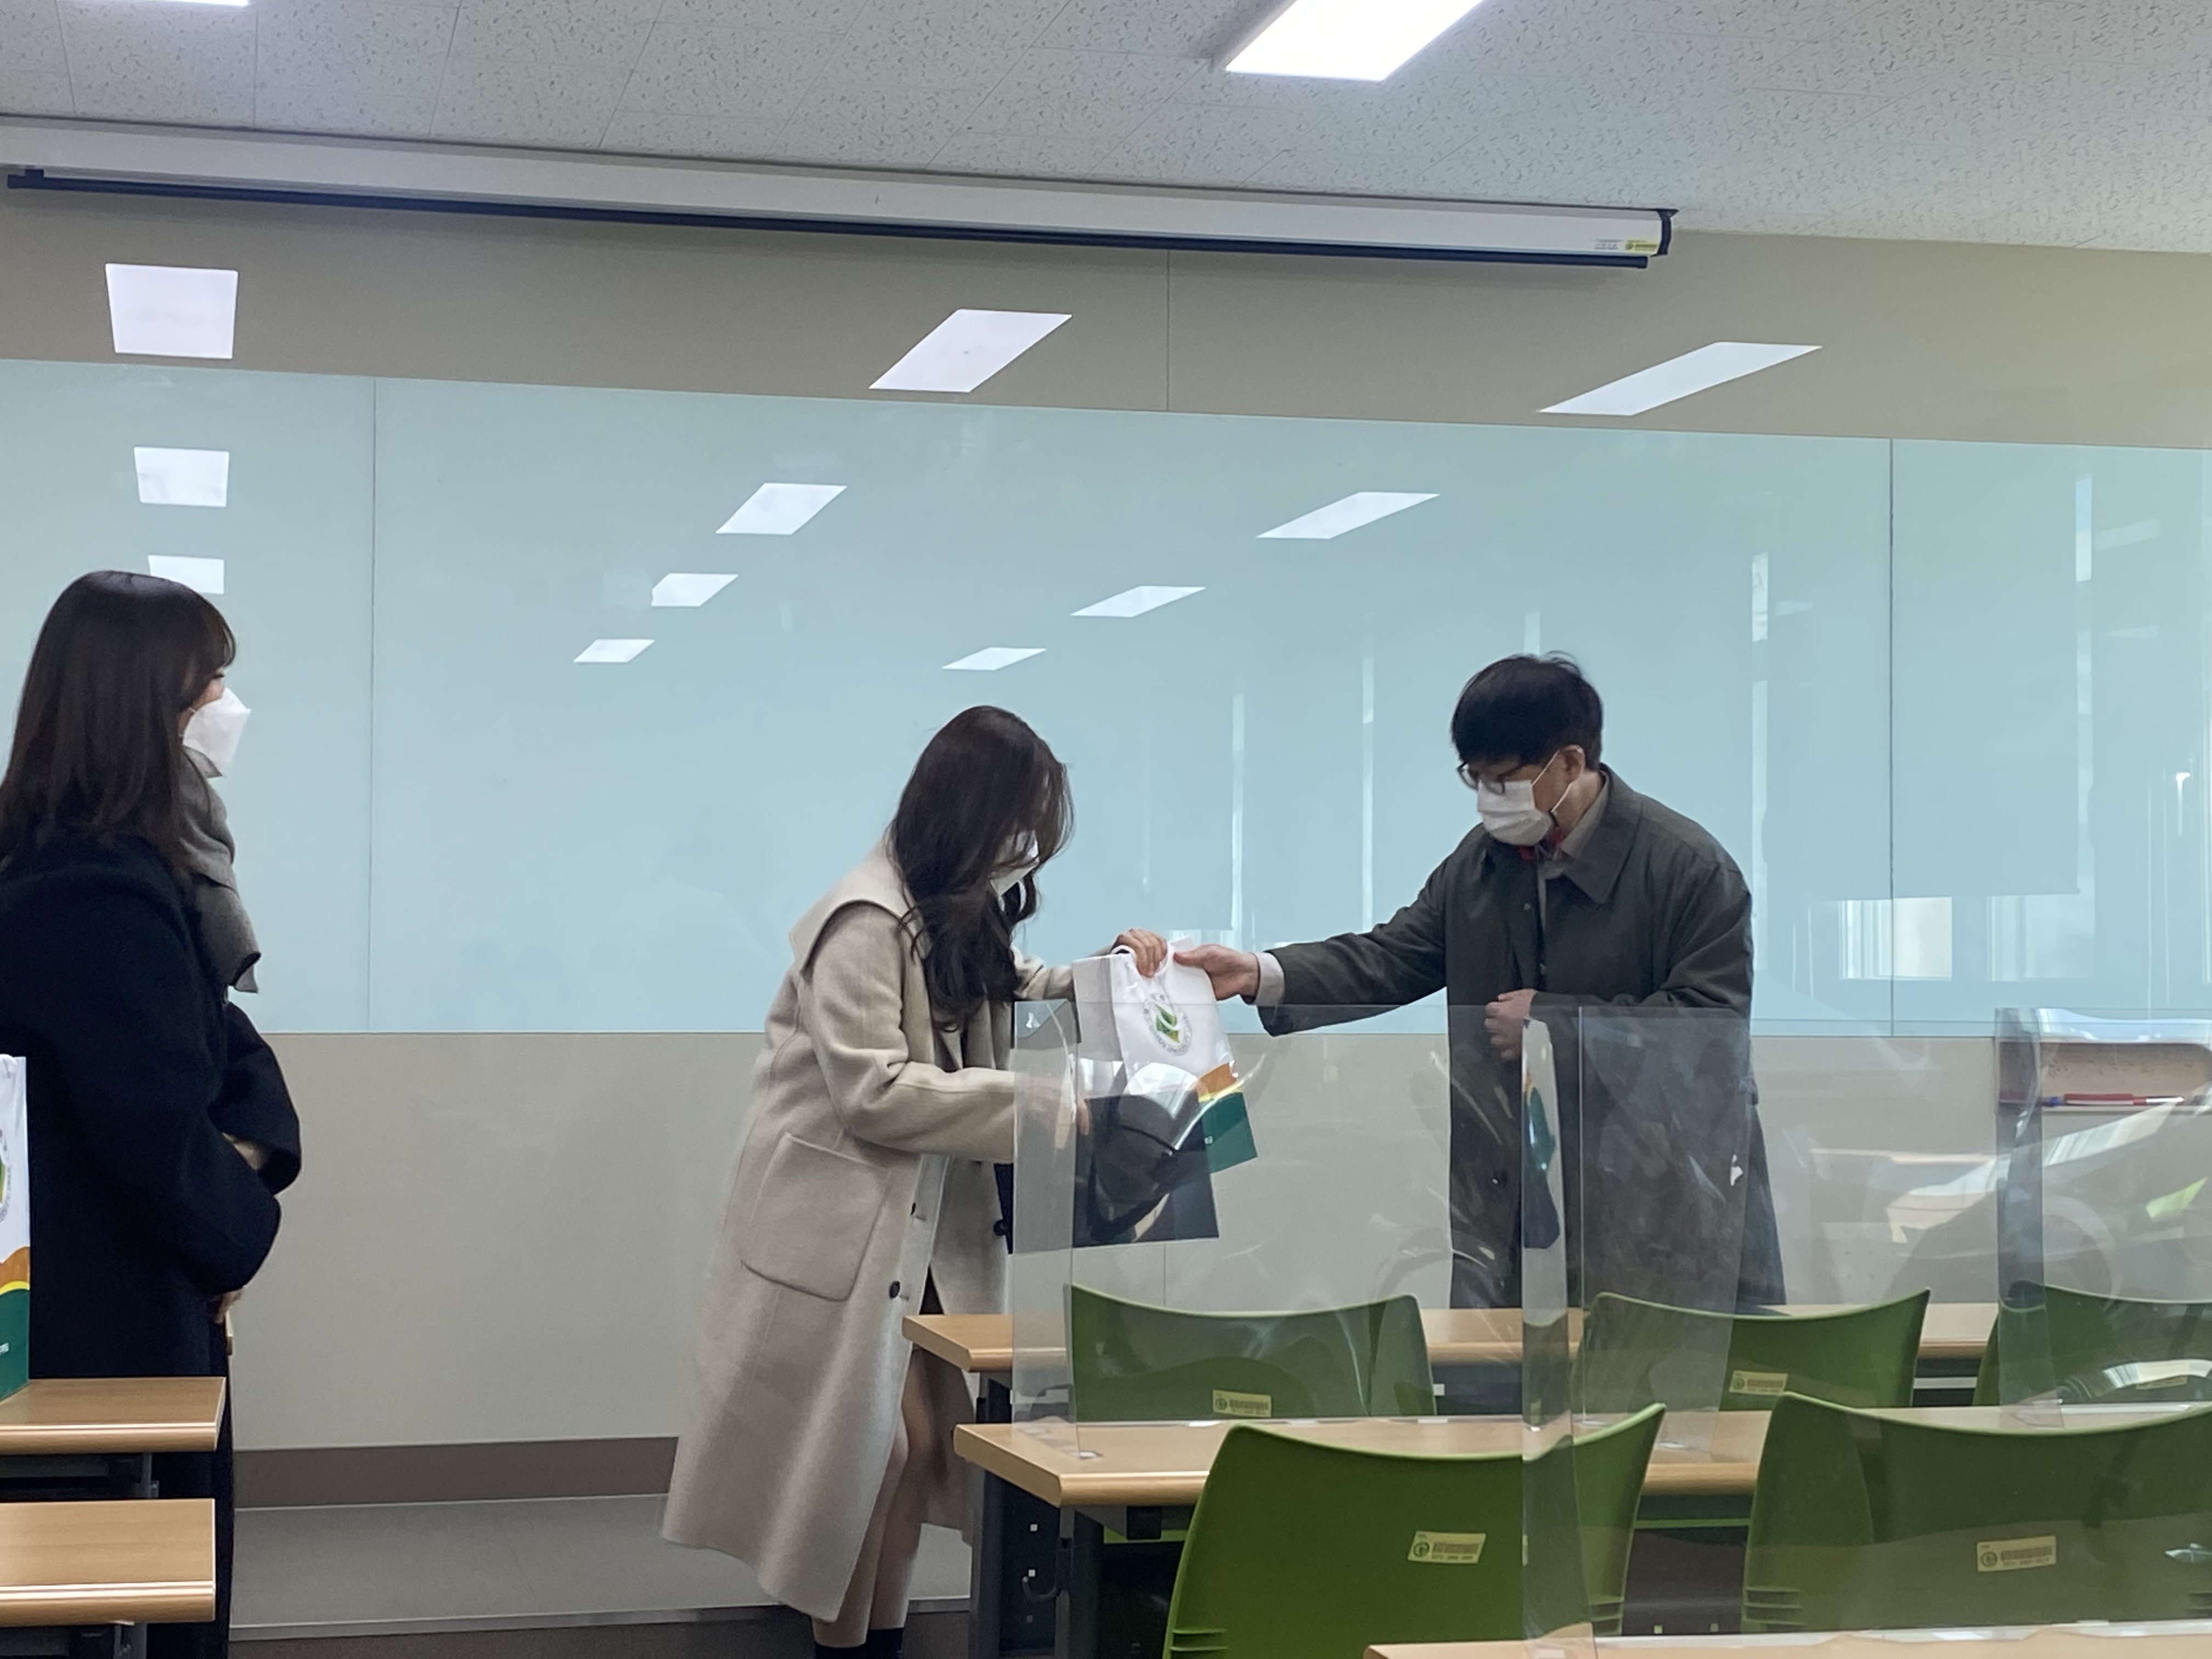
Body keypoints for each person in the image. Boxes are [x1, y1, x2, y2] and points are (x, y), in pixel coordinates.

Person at [663, 706, 1164, 1659]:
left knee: (919, 1447)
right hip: (840, 1226)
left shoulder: (949, 910)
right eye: (1020, 825)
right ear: (971, 812)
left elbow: (1013, 980)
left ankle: (870, 1640)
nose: (1027, 849)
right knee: (871, 1454)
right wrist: (1036, 1104)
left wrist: (1107, 975)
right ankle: (847, 1644)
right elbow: (876, 1093)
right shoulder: (863, 917)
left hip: (916, 1228)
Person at [1180, 654, 1781, 1310]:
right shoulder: (1482, 864)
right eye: (1475, 778)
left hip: (1654, 1207)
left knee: (1637, 1369)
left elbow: (1709, 1031)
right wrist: (1258, 973)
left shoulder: (1687, 869)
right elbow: (1393, 955)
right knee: (1489, 1369)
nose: (1487, 799)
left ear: (1571, 763)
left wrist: (1553, 1027)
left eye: (1504, 780)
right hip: (1507, 1199)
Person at [0, 571, 301, 1659]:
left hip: (93, 1288)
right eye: (208, 681)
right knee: (132, 1592)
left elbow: (208, 1031)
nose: (226, 703)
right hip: (107, 1305)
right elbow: (152, 1124)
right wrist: (232, 1230)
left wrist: (248, 1144)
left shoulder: (97, 856)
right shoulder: (94, 886)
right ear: (145, 701)